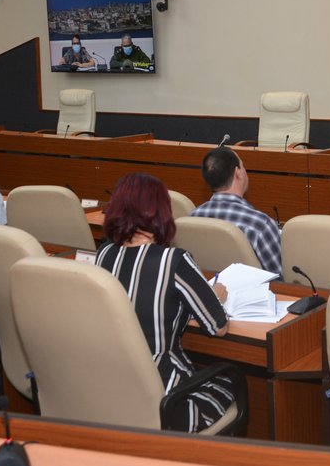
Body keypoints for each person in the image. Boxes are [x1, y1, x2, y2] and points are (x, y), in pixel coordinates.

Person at [94, 172, 234, 432]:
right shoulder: (174, 260)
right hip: (165, 401)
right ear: (161, 212)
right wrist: (217, 295)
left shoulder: (103, 254)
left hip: (112, 392)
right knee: (230, 383)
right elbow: (218, 326)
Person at [192, 147, 282, 275]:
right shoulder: (261, 225)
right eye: (243, 166)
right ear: (238, 173)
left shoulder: (193, 217)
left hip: (207, 291)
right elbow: (280, 282)